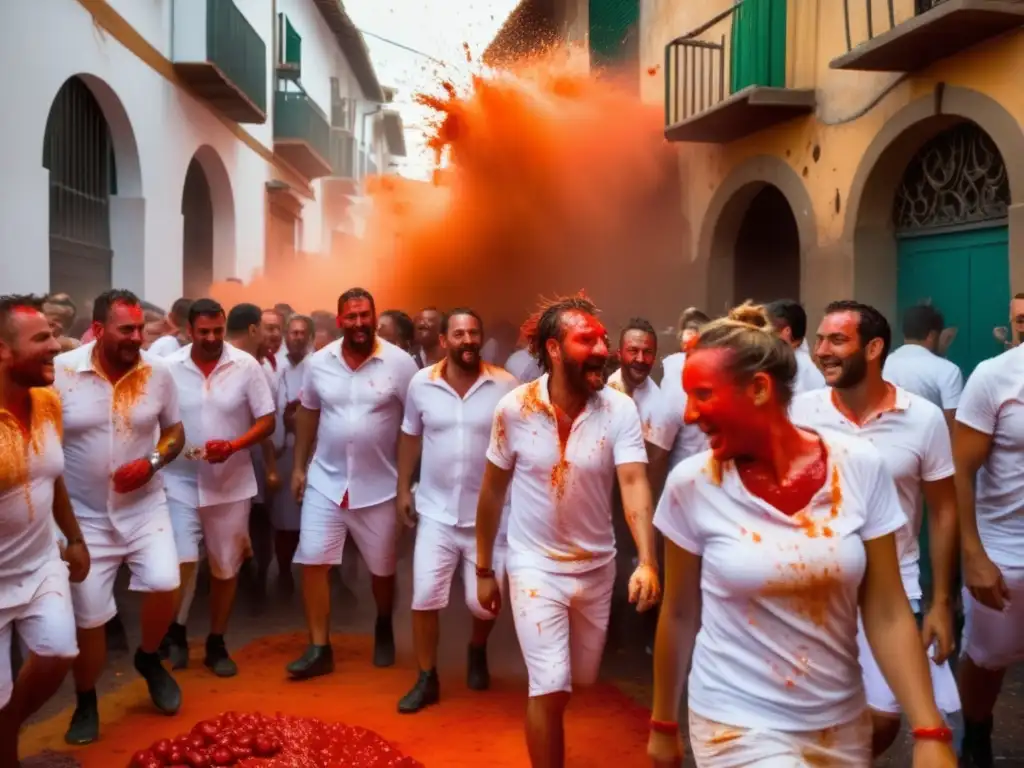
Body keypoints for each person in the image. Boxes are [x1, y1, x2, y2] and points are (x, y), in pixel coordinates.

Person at [647, 302, 956, 768]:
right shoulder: (691, 484)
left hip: (840, 724)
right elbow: (679, 613)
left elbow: (888, 609)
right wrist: (662, 724)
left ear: (758, 389)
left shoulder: (858, 466)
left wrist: (929, 729)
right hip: (735, 722)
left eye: (703, 395)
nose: (690, 415)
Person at [475, 294, 660, 768]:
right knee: (550, 685)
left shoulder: (618, 410)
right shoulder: (514, 408)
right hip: (533, 566)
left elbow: (634, 481)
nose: (603, 349)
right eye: (587, 340)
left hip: (597, 568)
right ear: (555, 350)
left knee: (581, 678)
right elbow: (492, 494)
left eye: (603, 339)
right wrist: (483, 568)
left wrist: (647, 560)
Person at [791, 300, 961, 757]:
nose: (822, 350)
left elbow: (944, 510)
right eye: (821, 340)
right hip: (814, 583)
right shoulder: (799, 414)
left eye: (836, 340)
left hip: (892, 585)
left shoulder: (922, 417)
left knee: (883, 717)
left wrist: (941, 602)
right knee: (812, 716)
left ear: (874, 348)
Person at [54, 290, 186, 746]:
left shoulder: (158, 372)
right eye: (125, 329)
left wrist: (151, 462)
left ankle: (148, 658)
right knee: (89, 619)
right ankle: (86, 700)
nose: (136, 337)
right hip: (84, 518)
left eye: (139, 329)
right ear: (96, 329)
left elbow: (174, 432)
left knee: (167, 583)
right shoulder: (61, 374)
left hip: (145, 507)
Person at [287, 288, 418, 679]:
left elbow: (414, 426)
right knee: (313, 560)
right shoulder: (318, 363)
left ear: (375, 318)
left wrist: (407, 484)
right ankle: (318, 647)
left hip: (380, 486)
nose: (359, 323)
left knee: (382, 572)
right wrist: (299, 467)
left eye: (366, 315)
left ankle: (382, 624)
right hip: (325, 481)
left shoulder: (400, 364)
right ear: (340, 320)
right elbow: (308, 413)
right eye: (352, 316)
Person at [395, 309, 517, 713]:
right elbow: (410, 436)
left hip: (490, 518)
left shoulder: (505, 384)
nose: (467, 340)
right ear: (444, 341)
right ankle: (426, 677)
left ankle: (477, 649)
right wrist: (402, 489)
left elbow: (522, 446)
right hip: (435, 512)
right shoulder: (421, 384)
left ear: (480, 339)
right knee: (425, 596)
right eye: (459, 334)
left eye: (474, 333)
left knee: (485, 604)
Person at [158, 299, 276, 677]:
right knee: (179, 562)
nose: (211, 339)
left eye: (218, 331)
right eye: (203, 332)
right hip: (178, 479)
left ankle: (216, 641)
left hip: (230, 482)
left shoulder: (246, 365)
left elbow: (267, 421)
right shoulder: (167, 368)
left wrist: (235, 446)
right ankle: (172, 632)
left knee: (226, 568)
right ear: (188, 331)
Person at [0, 296, 90, 767]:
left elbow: (51, 478)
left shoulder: (48, 401)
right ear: (2, 351)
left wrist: (73, 537)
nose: (56, 346)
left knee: (59, 653)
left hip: (40, 566)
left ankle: (7, 726)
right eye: (42, 339)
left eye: (54, 336)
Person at [953, 331, 1024, 768]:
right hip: (1006, 551)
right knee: (987, 659)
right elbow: (959, 469)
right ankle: (976, 735)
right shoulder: (996, 376)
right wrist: (973, 555)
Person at [271, 314, 314, 593]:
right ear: (286, 336)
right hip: (282, 450)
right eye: (293, 333)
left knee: (311, 516)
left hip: (311, 452)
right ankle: (284, 571)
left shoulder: (319, 366)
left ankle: (317, 574)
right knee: (283, 517)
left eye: (302, 333)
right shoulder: (273, 367)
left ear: (309, 337)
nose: (297, 337)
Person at [884, 303, 963, 429]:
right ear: (932, 335)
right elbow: (952, 423)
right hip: (930, 443)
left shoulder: (885, 362)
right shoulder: (948, 370)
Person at [765, 298, 826, 395]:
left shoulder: (794, 369)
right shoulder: (796, 363)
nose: (762, 336)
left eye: (767, 330)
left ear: (786, 333)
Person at [660, 307, 708, 391]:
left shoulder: (709, 367)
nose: (691, 336)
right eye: (689, 332)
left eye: (695, 332)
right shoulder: (672, 365)